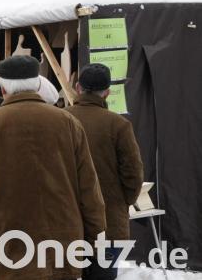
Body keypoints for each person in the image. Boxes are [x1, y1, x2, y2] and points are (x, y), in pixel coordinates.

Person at [0, 55, 106, 279]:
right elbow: (89, 189)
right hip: (62, 243)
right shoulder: (68, 123)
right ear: (38, 84)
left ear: (2, 88)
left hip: (8, 243)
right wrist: (93, 237)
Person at [67, 64, 144, 280]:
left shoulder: (60, 120)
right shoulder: (119, 125)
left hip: (67, 217)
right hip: (109, 220)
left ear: (78, 87)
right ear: (108, 92)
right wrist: (124, 201)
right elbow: (133, 173)